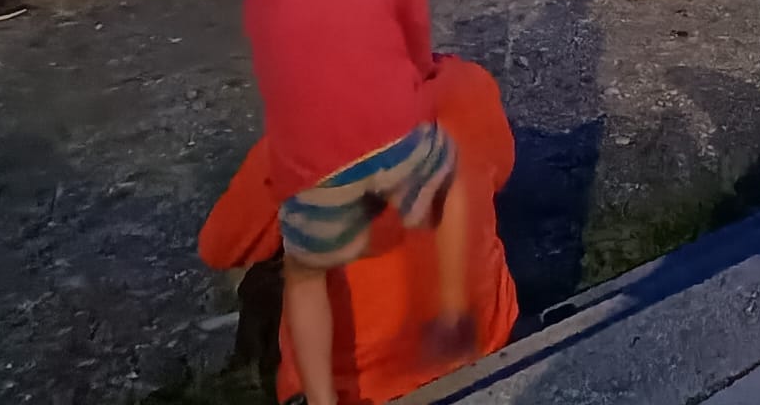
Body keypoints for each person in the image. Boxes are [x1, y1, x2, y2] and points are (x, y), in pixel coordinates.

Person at [242, 0, 475, 405]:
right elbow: (417, 40)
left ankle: (322, 398)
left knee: (304, 275)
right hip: (395, 139)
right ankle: (452, 312)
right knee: (452, 179)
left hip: (314, 166)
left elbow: (279, 73)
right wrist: (421, 72)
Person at [199, 51, 520, 405]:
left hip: (362, 390)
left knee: (260, 263)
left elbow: (220, 248)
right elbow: (500, 172)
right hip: (487, 344)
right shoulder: (470, 84)